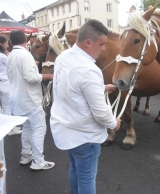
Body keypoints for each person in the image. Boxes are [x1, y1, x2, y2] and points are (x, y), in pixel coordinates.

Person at [50, 19, 121, 193]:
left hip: (66, 130)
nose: (103, 48)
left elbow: (70, 86)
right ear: (88, 42)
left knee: (75, 169)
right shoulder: (89, 69)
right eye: (102, 44)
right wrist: (113, 123)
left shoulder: (63, 57)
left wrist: (101, 88)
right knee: (87, 178)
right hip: (84, 136)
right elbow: (100, 112)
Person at [6, 30, 55, 170]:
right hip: (29, 99)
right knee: (39, 128)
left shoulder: (10, 55)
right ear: (26, 40)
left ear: (11, 42)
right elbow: (31, 78)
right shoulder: (25, 55)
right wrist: (48, 76)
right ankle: (38, 161)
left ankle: (26, 155)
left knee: (27, 127)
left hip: (16, 98)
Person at [0, 36, 22, 135]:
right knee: (7, 107)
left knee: (5, 106)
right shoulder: (3, 57)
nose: (7, 45)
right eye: (6, 43)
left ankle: (10, 126)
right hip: (5, 83)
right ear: (1, 44)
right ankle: (10, 128)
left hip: (1, 83)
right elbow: (13, 66)